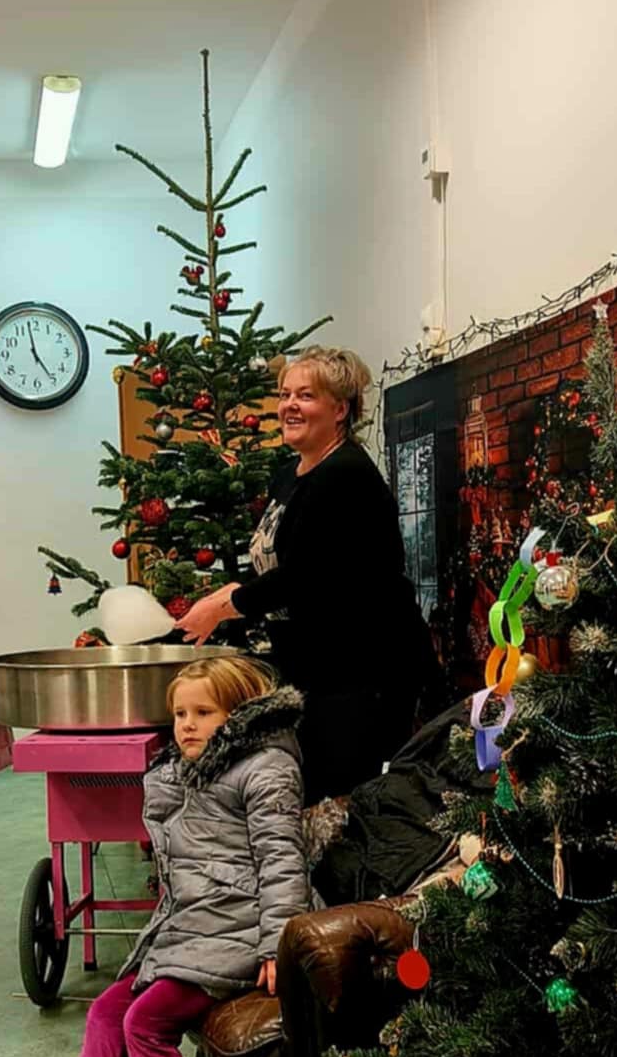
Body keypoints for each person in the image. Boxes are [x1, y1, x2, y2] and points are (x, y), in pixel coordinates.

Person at [4, 656, 308, 1057]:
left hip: (241, 932)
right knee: (105, 1011)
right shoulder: (182, 772)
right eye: (179, 714)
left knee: (146, 1022)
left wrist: (277, 946)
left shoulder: (265, 770)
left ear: (239, 715)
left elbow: (283, 862)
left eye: (203, 712)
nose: (187, 725)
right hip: (189, 928)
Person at [179, 345, 442, 805]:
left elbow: (305, 576)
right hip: (314, 671)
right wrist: (233, 591)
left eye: (306, 395)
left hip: (363, 673)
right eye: (285, 395)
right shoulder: (291, 475)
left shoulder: (346, 476)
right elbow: (278, 559)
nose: (289, 406)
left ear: (340, 409)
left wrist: (225, 607)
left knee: (340, 803)